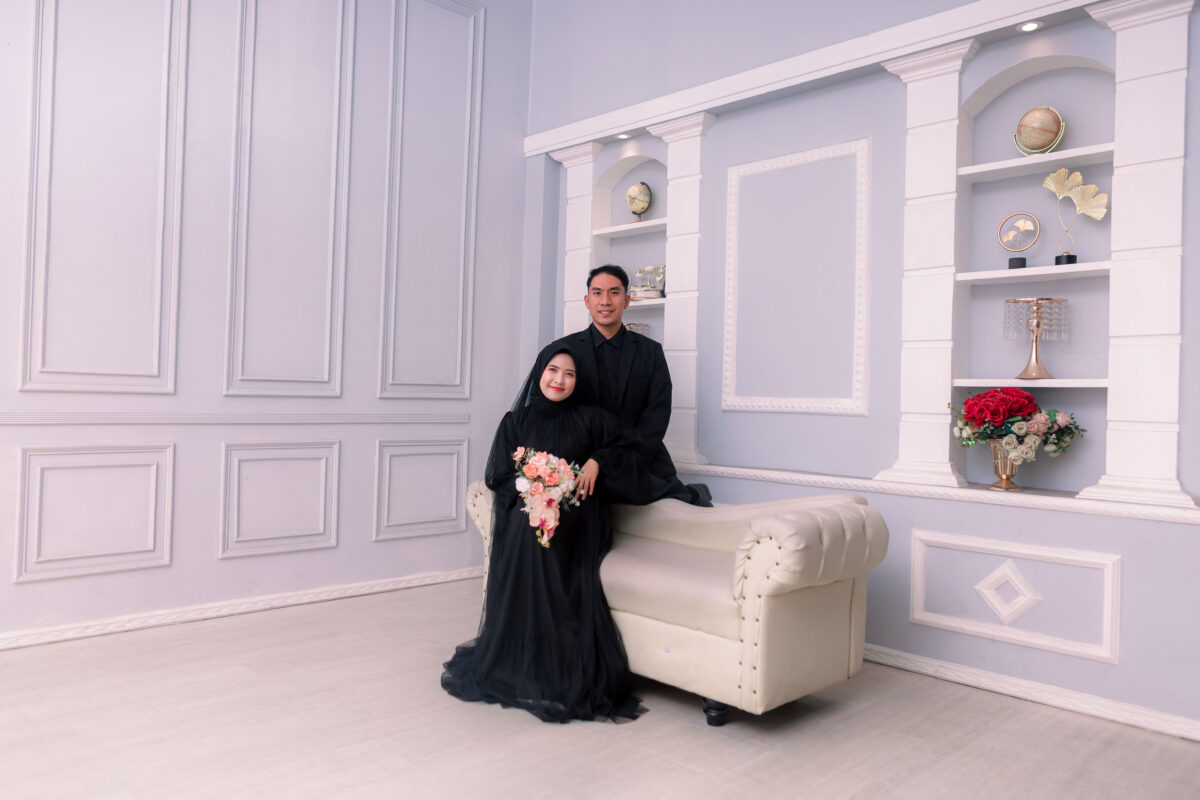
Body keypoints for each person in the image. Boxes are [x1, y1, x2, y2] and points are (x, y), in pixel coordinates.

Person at [441, 343, 643, 723]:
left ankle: (557, 661)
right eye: (553, 370)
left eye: (569, 374)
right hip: (529, 512)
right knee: (529, 526)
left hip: (579, 516)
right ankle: (525, 658)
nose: (559, 380)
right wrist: (534, 488)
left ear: (578, 381)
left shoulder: (590, 418)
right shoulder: (515, 422)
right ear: (539, 372)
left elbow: (631, 446)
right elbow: (498, 476)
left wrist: (596, 461)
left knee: (545, 528)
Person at [548, 264, 712, 506]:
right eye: (597, 293)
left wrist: (605, 459)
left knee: (617, 482)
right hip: (580, 456)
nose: (605, 301)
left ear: (626, 301)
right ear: (587, 300)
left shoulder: (651, 352)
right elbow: (554, 411)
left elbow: (656, 419)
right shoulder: (564, 350)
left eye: (614, 293)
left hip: (636, 454)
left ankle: (693, 494)